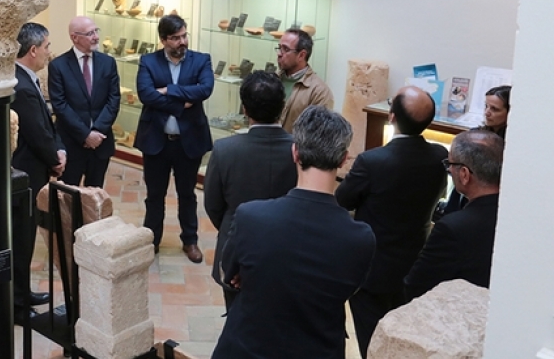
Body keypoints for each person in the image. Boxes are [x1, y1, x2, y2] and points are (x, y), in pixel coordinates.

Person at [211, 106, 375, 359]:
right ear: (344, 159)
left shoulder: (251, 216)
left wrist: (255, 274)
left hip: (248, 348)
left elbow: (229, 272)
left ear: (295, 152)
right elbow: (348, 287)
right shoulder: (360, 238)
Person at [335, 85, 449, 358]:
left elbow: (342, 200)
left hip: (373, 268)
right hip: (415, 263)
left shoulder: (372, 161)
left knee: (372, 341)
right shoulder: (440, 156)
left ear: (391, 117)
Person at [203, 71, 297, 309]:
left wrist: (233, 226)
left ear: (244, 109)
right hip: (286, 250)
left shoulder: (224, 150)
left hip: (236, 248)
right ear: (283, 107)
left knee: (236, 316)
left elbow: (213, 205)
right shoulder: (299, 151)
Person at [134, 14, 214, 263]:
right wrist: (181, 103)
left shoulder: (201, 60)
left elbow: (205, 89)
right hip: (156, 141)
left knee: (187, 194)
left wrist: (169, 90)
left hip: (188, 142)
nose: (182, 41)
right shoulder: (148, 61)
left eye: (184, 36)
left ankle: (190, 240)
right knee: (154, 195)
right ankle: (152, 241)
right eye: (176, 38)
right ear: (163, 40)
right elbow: (146, 95)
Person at [404, 129, 504, 301]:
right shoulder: (516, 216)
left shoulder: (452, 228)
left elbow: (416, 286)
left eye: (450, 164)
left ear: (464, 174)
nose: (449, 169)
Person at [10, 22, 66, 323]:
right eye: (46, 47)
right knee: (21, 238)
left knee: (27, 236)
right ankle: (18, 305)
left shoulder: (25, 78)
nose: (49, 52)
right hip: (28, 173)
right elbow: (35, 132)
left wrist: (58, 150)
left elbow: (47, 124)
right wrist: (54, 159)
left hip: (34, 169)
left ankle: (23, 292)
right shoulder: (21, 86)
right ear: (33, 50)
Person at [47, 16, 121, 187]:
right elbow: (60, 105)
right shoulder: (58, 66)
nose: (96, 37)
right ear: (75, 37)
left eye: (96, 31)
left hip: (101, 142)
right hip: (72, 143)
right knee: (66, 194)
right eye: (90, 33)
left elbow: (114, 99)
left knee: (95, 195)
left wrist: (97, 131)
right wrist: (85, 135)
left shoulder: (108, 63)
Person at [437, 84, 511, 219]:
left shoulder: (510, 145)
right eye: (486, 106)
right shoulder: (475, 135)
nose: (487, 112)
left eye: (494, 109)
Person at [276, 28, 334, 132]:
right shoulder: (272, 80)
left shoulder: (319, 92)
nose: (279, 54)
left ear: (301, 55)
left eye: (286, 49)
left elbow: (319, 134)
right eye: (279, 48)